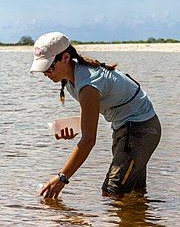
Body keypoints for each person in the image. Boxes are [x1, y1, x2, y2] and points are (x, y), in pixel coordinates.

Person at [30, 32, 161, 198]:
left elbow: (89, 140)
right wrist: (76, 127)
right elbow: (90, 113)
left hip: (140, 130)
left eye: (48, 67)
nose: (45, 73)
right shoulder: (72, 79)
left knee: (112, 192)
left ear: (65, 58)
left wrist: (62, 177)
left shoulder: (87, 85)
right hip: (127, 128)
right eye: (42, 69)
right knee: (135, 194)